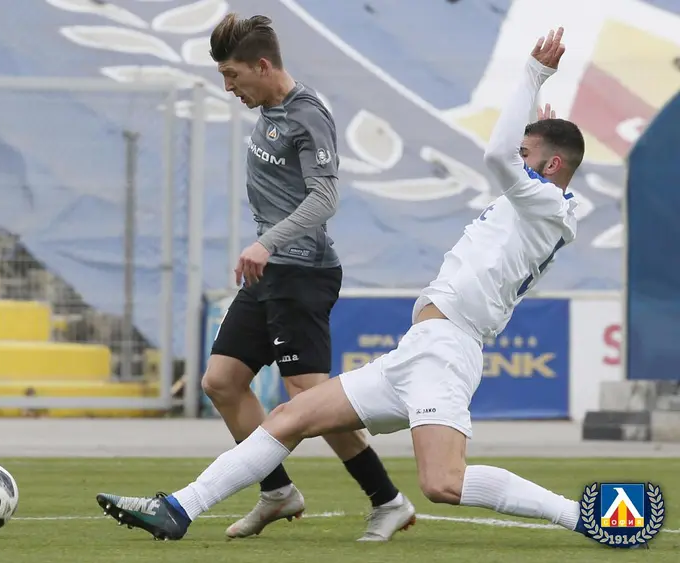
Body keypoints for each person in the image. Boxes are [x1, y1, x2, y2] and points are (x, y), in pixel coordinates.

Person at [96, 27, 593, 544]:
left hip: (445, 354)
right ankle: (179, 508)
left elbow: (497, 156)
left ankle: (584, 514)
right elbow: (525, 156)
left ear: (551, 166)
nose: (518, 159)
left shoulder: (546, 205)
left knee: (443, 482)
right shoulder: (543, 204)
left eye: (527, 153)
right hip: (419, 351)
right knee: (289, 417)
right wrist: (539, 121)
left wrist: (534, 74)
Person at [177, 13, 413, 541]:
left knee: (310, 399)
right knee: (222, 382)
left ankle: (388, 500)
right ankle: (277, 491)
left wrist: (267, 242)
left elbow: (325, 198)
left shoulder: (308, 115)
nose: (228, 87)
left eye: (233, 75)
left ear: (263, 66)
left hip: (302, 272)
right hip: (271, 274)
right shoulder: (269, 108)